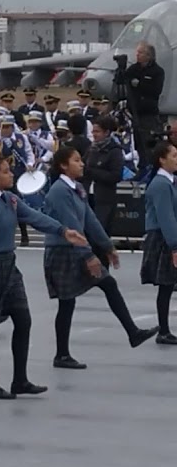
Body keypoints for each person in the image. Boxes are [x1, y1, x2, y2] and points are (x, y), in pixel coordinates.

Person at [0, 155, 87, 400]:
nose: (12, 175)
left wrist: (63, 231)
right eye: (6, 172)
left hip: (8, 265)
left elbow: (34, 216)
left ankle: (20, 380)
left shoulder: (10, 199)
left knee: (23, 320)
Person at [42, 146, 157, 368]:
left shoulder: (77, 188)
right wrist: (88, 256)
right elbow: (72, 226)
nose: (82, 163)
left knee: (106, 285)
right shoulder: (59, 191)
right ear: (63, 166)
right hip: (63, 251)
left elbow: (90, 219)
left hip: (76, 248)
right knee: (68, 302)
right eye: (77, 160)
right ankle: (62, 354)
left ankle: (132, 332)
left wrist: (107, 246)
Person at [141, 140, 177, 345]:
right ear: (161, 160)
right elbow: (166, 217)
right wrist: (174, 245)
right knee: (165, 285)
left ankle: (164, 329)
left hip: (167, 235)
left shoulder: (169, 181)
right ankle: (163, 330)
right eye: (173, 156)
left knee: (168, 285)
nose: (176, 159)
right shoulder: (161, 184)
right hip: (163, 237)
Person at [122, 40, 165, 166]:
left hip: (148, 113)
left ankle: (152, 166)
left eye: (140, 53)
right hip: (135, 112)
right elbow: (123, 79)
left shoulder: (157, 71)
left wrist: (139, 84)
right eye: (137, 52)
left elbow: (156, 90)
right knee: (138, 142)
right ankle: (142, 165)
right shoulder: (133, 69)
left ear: (148, 55)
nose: (137, 55)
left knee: (149, 141)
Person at [85, 115, 125, 234]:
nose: (94, 134)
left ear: (107, 132)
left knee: (100, 230)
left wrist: (93, 172)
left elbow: (116, 176)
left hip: (104, 198)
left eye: (97, 131)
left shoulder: (115, 151)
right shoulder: (91, 148)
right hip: (87, 195)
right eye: (93, 131)